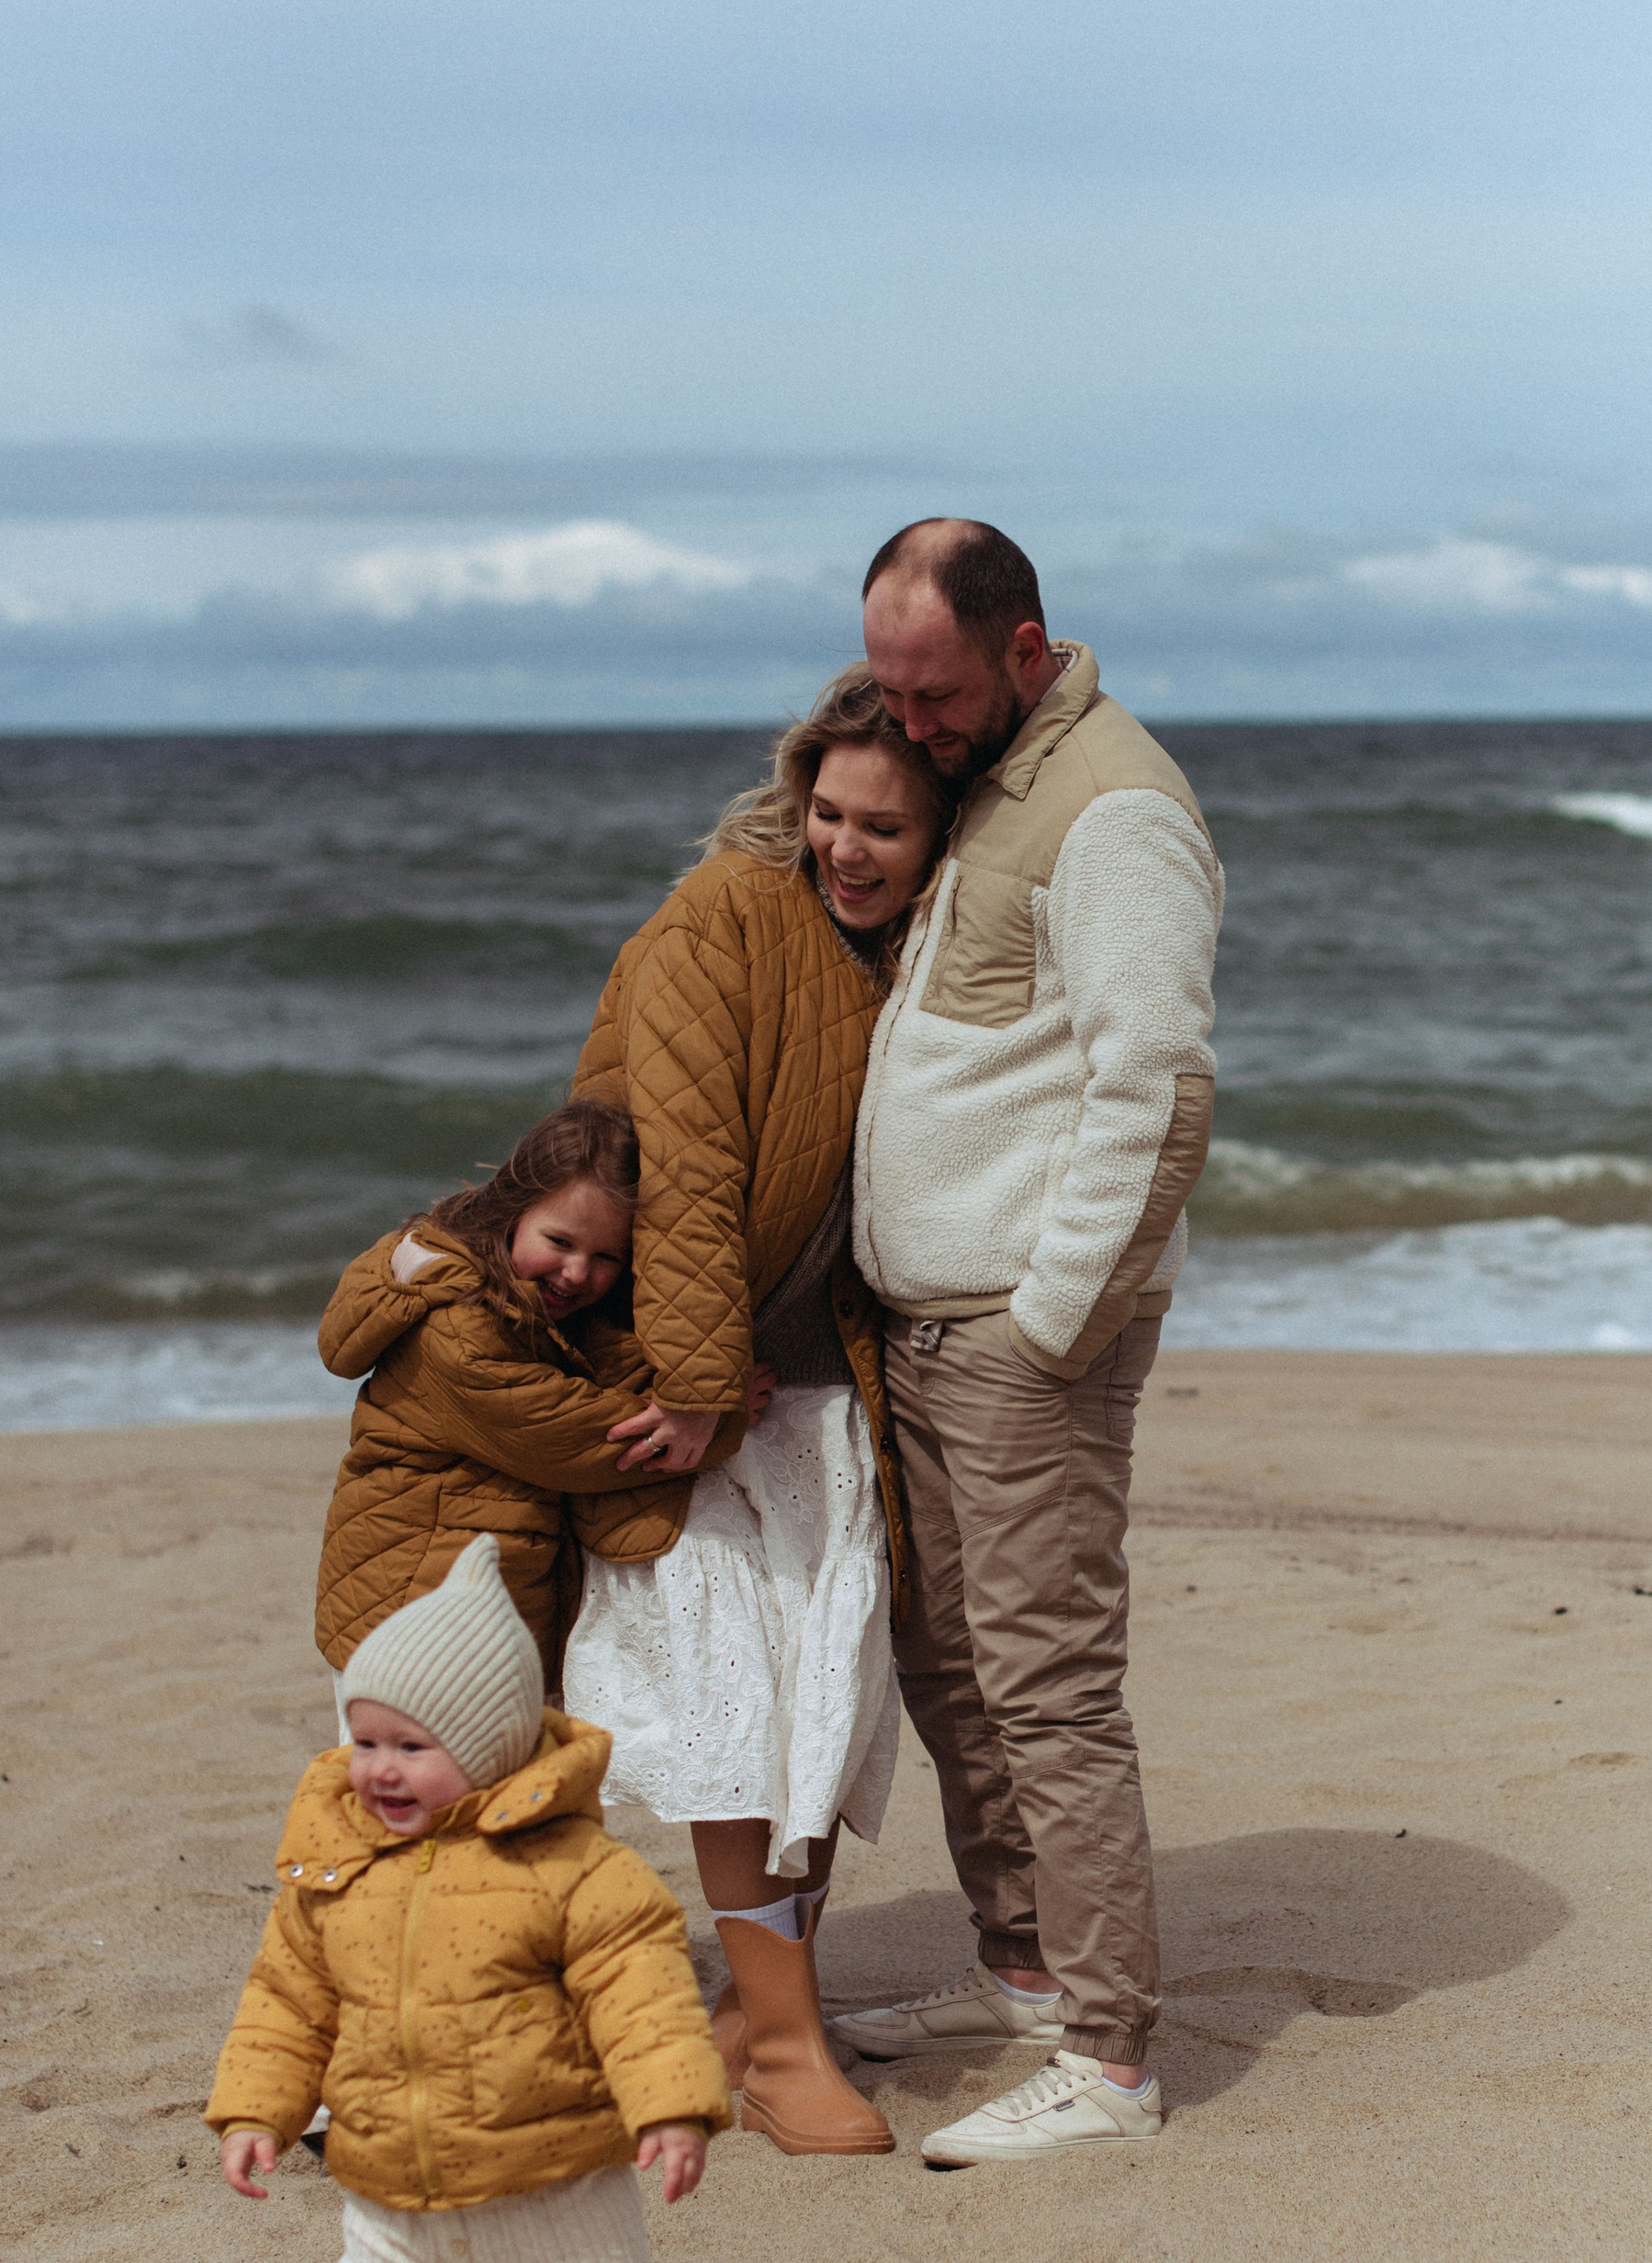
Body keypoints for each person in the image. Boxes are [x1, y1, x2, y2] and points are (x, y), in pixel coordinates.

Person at [828, 519, 1222, 2166]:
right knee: (951, 1674)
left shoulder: (1114, 805)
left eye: (930, 694)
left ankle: (1114, 2060)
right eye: (891, 692)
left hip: (1020, 1339)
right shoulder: (992, 765)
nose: (907, 724)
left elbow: (1160, 1088)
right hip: (930, 1328)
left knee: (1049, 1689)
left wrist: (1050, 1323)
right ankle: (1027, 1976)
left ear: (1024, 644)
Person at [564, 676, 954, 2158]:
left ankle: (747, 2014)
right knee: (735, 1698)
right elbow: (684, 1167)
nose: (847, 848)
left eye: (885, 826)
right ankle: (787, 2046)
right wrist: (697, 1388)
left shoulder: (914, 952)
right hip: (696, 1378)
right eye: (828, 814)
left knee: (820, 1698)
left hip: (822, 1381)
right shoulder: (721, 916)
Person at [207, 1536, 736, 2263]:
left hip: (555, 2175)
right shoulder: (333, 1867)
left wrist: (672, 2108)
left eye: (413, 1744)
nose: (381, 1769)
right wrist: (256, 2110)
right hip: (393, 2184)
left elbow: (640, 1992)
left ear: (493, 1747)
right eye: (366, 1741)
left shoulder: (571, 1866)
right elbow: (287, 2000)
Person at [313, 1098, 743, 1694]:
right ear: (511, 1209)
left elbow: (598, 1359)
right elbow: (568, 1437)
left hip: (471, 1598)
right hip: (413, 1606)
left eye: (605, 1258)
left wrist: (698, 1372)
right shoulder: (459, 1328)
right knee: (406, 1779)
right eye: (560, 1241)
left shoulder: (533, 1308)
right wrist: (710, 1415)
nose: (574, 1272)